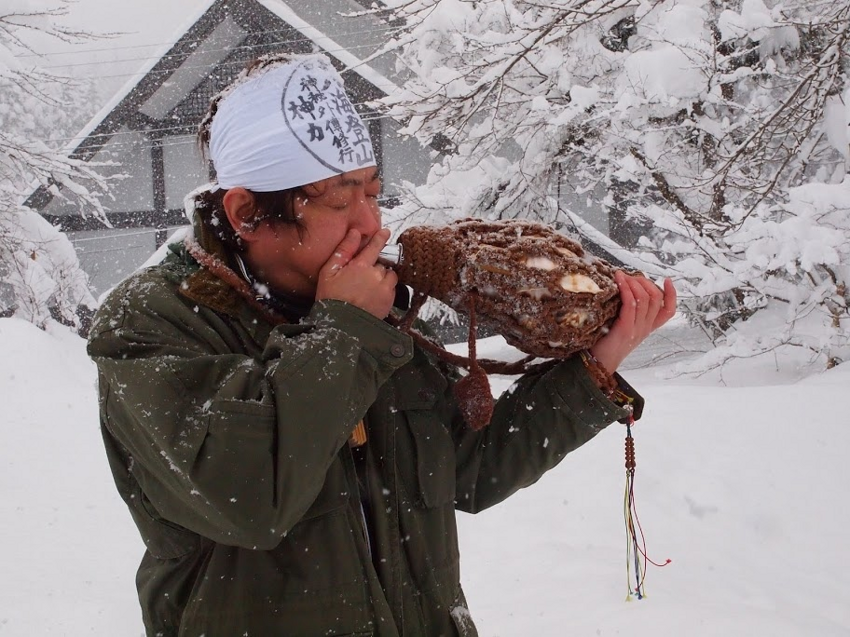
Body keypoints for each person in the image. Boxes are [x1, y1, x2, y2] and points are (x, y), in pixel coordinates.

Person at [88, 52, 677, 637]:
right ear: (246, 212)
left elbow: (467, 470)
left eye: (373, 192)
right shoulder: (153, 323)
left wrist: (597, 364)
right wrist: (345, 330)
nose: (374, 225)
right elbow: (249, 499)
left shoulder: (371, 313)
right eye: (341, 201)